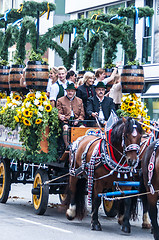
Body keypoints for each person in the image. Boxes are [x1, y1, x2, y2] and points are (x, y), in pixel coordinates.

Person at [56, 82, 85, 149]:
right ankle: (67, 146)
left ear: (74, 92)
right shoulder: (60, 100)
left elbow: (82, 114)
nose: (70, 93)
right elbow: (59, 112)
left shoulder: (79, 100)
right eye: (69, 91)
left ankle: (81, 146)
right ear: (66, 91)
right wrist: (60, 116)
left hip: (76, 120)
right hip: (66, 121)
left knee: (83, 128)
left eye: (72, 91)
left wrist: (78, 120)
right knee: (65, 127)